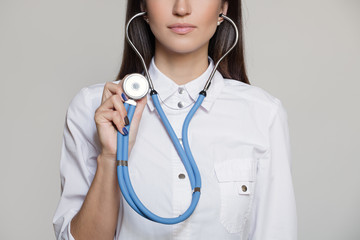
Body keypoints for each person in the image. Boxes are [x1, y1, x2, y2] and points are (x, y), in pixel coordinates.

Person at [53, 0, 297, 239]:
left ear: (223, 8)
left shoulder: (263, 113)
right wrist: (109, 157)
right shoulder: (93, 108)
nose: (182, 8)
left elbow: (277, 231)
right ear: (143, 6)